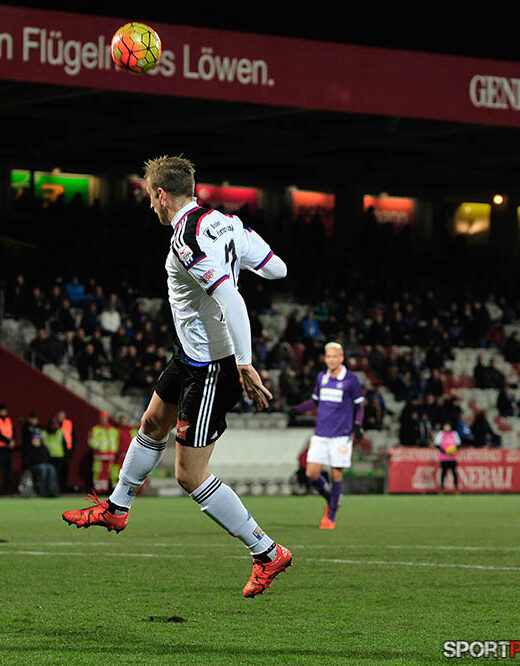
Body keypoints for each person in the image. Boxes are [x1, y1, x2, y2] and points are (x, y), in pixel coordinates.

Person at [62, 155, 291, 598]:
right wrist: (238, 259)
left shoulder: (186, 240)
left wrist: (244, 362)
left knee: (189, 475)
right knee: (150, 423)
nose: (150, 205)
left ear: (161, 195)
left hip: (212, 367)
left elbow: (231, 301)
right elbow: (276, 267)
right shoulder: (228, 224)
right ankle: (117, 507)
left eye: (150, 197)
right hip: (188, 356)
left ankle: (266, 552)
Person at [292, 342, 365, 530]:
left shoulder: (351, 379)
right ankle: (332, 498)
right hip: (321, 434)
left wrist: (358, 425)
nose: (331, 359)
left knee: (336, 473)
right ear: (325, 358)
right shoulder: (321, 377)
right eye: (328, 356)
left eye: (335, 356)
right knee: (311, 473)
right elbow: (315, 401)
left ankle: (330, 517)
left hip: (341, 435)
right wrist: (296, 409)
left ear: (341, 358)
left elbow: (359, 405)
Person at [87, 411, 119, 493]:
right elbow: (90, 440)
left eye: (105, 417)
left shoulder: (113, 430)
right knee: (98, 472)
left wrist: (116, 451)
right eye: (102, 417)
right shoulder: (95, 429)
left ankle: (107, 490)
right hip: (99, 455)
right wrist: (98, 447)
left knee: (110, 473)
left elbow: (117, 441)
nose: (104, 419)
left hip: (111, 455)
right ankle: (98, 490)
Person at [28, 429, 59, 497]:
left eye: (37, 439)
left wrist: (44, 462)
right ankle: (42, 491)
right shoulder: (30, 449)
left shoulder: (44, 448)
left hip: (44, 465)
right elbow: (31, 460)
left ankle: (52, 491)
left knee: (51, 468)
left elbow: (48, 457)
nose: (36, 441)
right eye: (34, 439)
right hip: (35, 466)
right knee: (43, 468)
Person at [434, 422, 461, 493]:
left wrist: (453, 451)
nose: (447, 428)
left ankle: (456, 488)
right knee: (443, 473)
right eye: (446, 426)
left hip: (453, 457)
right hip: (444, 457)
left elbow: (458, 444)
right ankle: (442, 488)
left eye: (448, 426)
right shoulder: (441, 434)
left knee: (454, 473)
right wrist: (445, 452)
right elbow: (437, 445)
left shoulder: (454, 434)